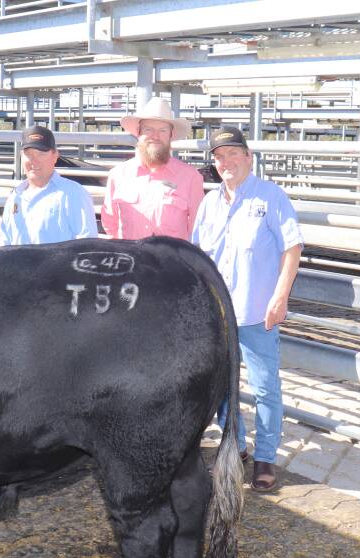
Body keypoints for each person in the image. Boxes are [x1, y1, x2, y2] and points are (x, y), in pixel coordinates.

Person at [191, 126, 303, 492]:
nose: (226, 162)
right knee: (223, 387)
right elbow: (198, 255)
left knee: (265, 387)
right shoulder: (210, 202)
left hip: (257, 312)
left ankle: (266, 456)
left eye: (232, 154)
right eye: (219, 157)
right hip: (219, 315)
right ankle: (235, 445)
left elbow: (292, 248)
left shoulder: (270, 197)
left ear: (248, 157)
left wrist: (280, 295)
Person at [101, 97, 204, 240]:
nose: (155, 136)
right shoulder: (118, 175)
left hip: (170, 261)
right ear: (138, 132)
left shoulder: (191, 177)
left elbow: (198, 228)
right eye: (148, 129)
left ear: (171, 135)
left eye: (162, 130)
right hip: (131, 259)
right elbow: (110, 223)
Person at [0, 125, 98, 245]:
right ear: (21, 155)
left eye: (41, 154)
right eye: (28, 154)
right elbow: (5, 243)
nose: (34, 161)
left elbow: (87, 244)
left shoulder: (73, 194)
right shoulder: (15, 196)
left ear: (55, 155)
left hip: (58, 264)